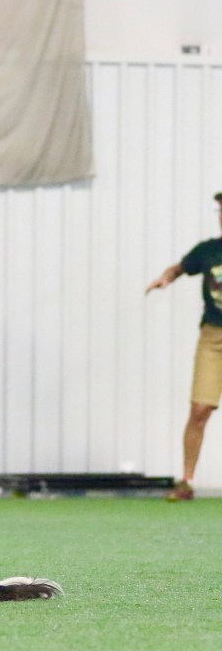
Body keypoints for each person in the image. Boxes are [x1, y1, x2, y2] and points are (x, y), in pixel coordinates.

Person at [145, 191, 222, 501]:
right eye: (221, 210)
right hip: (213, 336)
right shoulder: (208, 250)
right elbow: (179, 268)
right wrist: (165, 279)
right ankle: (187, 481)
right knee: (200, 408)